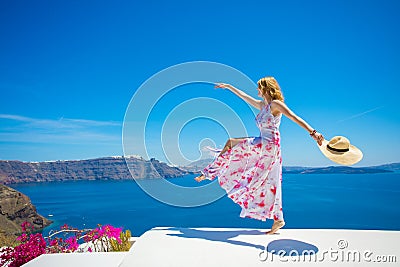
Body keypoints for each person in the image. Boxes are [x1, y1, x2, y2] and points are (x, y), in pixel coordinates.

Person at [194, 77, 324, 234]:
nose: (256, 90)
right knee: (264, 177)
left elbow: (294, 117)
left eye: (259, 87)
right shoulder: (263, 105)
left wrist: (313, 133)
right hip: (262, 142)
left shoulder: (276, 105)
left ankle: (208, 173)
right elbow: (244, 97)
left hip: (270, 146)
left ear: (265, 88)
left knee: (264, 180)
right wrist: (229, 86)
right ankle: (278, 219)